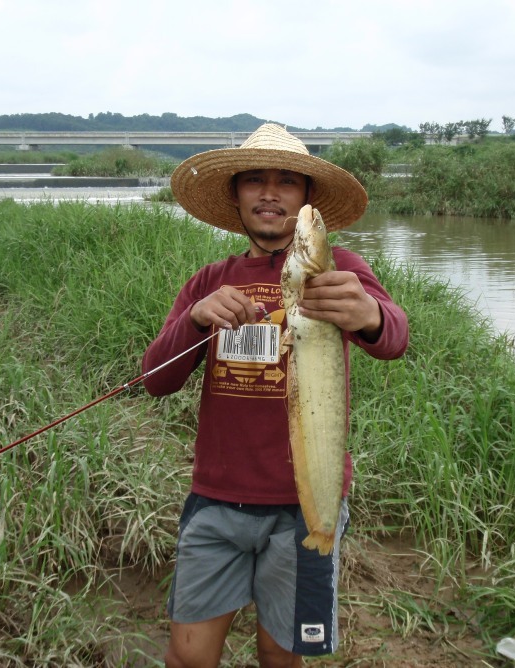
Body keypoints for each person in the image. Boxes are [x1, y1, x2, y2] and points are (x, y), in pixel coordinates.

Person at [142, 123, 409, 668]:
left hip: (303, 507)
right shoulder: (209, 281)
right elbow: (156, 379)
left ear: (307, 201)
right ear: (236, 197)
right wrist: (195, 320)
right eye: (255, 181)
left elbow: (394, 337)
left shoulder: (340, 270)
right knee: (187, 656)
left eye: (287, 181)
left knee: (280, 654)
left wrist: (370, 315)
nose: (270, 193)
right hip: (216, 500)